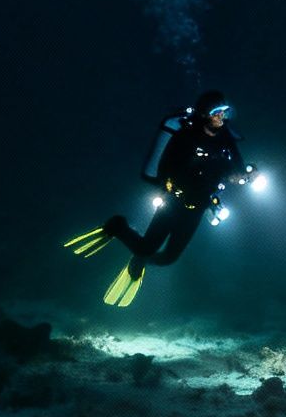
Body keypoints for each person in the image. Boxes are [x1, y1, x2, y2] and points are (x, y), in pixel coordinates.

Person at [64, 89, 256, 307]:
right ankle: (118, 226)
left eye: (225, 112)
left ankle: (141, 259)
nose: (222, 117)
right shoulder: (186, 135)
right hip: (173, 202)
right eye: (216, 112)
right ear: (204, 114)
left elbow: (236, 170)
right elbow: (167, 167)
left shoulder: (226, 139)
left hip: (198, 208)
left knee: (168, 258)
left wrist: (245, 175)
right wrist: (188, 175)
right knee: (146, 246)